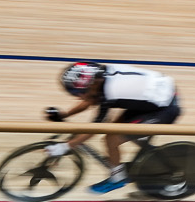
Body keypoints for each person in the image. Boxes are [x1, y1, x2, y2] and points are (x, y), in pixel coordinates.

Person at [47, 61, 181, 194]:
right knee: (117, 130)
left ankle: (117, 178)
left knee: (112, 137)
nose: (78, 96)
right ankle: (141, 156)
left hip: (164, 109)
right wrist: (65, 114)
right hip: (155, 97)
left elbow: (96, 127)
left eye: (79, 92)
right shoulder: (100, 77)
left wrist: (67, 146)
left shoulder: (110, 92)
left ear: (92, 84)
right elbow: (90, 100)